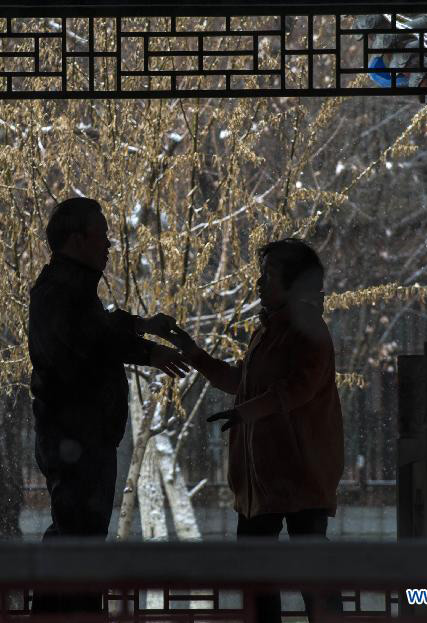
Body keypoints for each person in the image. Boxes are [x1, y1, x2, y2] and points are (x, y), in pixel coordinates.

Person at [166, 238, 344, 623]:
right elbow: (243, 382)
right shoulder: (270, 331)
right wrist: (196, 356)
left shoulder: (307, 330)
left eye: (268, 276)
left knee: (306, 573)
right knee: (262, 574)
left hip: (299, 475)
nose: (258, 283)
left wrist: (248, 411)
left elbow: (297, 389)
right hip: (265, 479)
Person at [28, 197, 189, 616]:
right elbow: (91, 339)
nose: (109, 245)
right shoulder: (61, 291)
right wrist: (148, 351)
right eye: (102, 235)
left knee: (74, 537)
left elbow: (100, 325)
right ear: (77, 239)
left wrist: (139, 326)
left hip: (79, 439)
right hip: (75, 439)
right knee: (79, 541)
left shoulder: (68, 286)